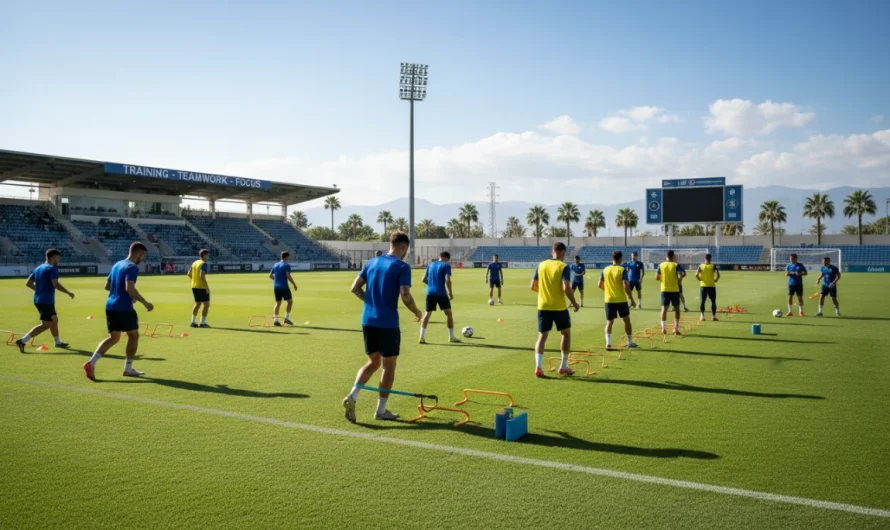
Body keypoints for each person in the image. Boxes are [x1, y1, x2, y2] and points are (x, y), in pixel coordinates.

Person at [343, 232, 422, 422]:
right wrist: (417, 311)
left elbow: (354, 288)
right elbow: (405, 295)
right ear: (403, 247)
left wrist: (370, 302)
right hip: (387, 323)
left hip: (368, 320)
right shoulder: (402, 266)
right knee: (388, 367)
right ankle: (381, 411)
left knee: (372, 362)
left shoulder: (371, 262)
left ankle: (352, 396)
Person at [83, 242, 154, 381]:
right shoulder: (132, 267)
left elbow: (107, 286)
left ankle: (91, 363)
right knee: (133, 336)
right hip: (124, 308)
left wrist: (124, 294)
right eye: (143, 255)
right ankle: (128, 368)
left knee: (114, 338)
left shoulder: (117, 264)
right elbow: (130, 287)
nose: (143, 258)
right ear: (138, 253)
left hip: (110, 306)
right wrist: (145, 302)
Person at [530, 242, 580, 378]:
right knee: (565, 334)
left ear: (553, 251)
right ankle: (563, 366)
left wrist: (545, 293)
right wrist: (574, 303)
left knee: (542, 336)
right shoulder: (563, 266)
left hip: (543, 306)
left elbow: (533, 286)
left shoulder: (541, 265)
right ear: (563, 253)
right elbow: (566, 287)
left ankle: (538, 367)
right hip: (558, 307)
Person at [15, 249, 75, 352]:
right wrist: (68, 292)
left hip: (39, 299)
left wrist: (39, 290)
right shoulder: (52, 269)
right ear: (53, 257)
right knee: (47, 324)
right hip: (46, 301)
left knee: (54, 320)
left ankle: (58, 342)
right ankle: (22, 341)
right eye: (58, 258)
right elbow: (55, 284)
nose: (59, 260)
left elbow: (28, 283)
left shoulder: (38, 268)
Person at [598, 251, 637, 350]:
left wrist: (608, 290)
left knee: (609, 322)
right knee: (627, 320)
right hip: (620, 299)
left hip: (609, 299)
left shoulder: (605, 269)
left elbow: (599, 285)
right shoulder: (622, 269)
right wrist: (631, 299)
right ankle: (630, 341)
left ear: (612, 258)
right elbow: (626, 285)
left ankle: (608, 343)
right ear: (620, 259)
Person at [419, 251, 459, 344]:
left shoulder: (430, 264)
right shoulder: (446, 265)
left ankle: (421, 337)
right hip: (441, 293)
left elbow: (423, 279)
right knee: (448, 313)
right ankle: (451, 336)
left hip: (430, 292)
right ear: (446, 258)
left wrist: (431, 285)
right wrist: (450, 293)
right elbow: (447, 280)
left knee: (427, 314)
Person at [656, 250, 685, 336]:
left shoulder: (661, 265)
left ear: (666, 256)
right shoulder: (676, 265)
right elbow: (681, 275)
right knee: (677, 309)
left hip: (664, 289)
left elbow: (657, 277)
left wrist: (664, 279)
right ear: (673, 256)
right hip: (675, 290)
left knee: (664, 309)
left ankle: (663, 328)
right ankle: (675, 329)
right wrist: (679, 280)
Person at [270, 251, 298, 326]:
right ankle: (286, 319)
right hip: (284, 287)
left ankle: (276, 320)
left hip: (276, 287)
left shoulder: (275, 264)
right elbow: (288, 276)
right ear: (287, 257)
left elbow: (270, 276)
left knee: (278, 303)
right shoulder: (286, 265)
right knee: (290, 302)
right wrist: (294, 284)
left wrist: (277, 280)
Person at [188, 249, 211, 328]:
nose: (208, 257)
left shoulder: (195, 262)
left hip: (194, 286)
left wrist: (195, 280)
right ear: (204, 255)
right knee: (206, 304)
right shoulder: (204, 264)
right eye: (207, 255)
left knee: (197, 303)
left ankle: (193, 321)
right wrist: (207, 287)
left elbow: (189, 274)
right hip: (201, 287)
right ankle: (202, 323)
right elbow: (202, 275)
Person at [695, 253, 720, 321]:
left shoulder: (701, 266)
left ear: (705, 259)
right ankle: (713, 316)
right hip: (711, 286)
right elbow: (718, 274)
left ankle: (702, 316)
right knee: (713, 301)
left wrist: (700, 279)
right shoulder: (713, 266)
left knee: (702, 301)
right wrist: (716, 279)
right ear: (710, 259)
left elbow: (696, 275)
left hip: (703, 286)